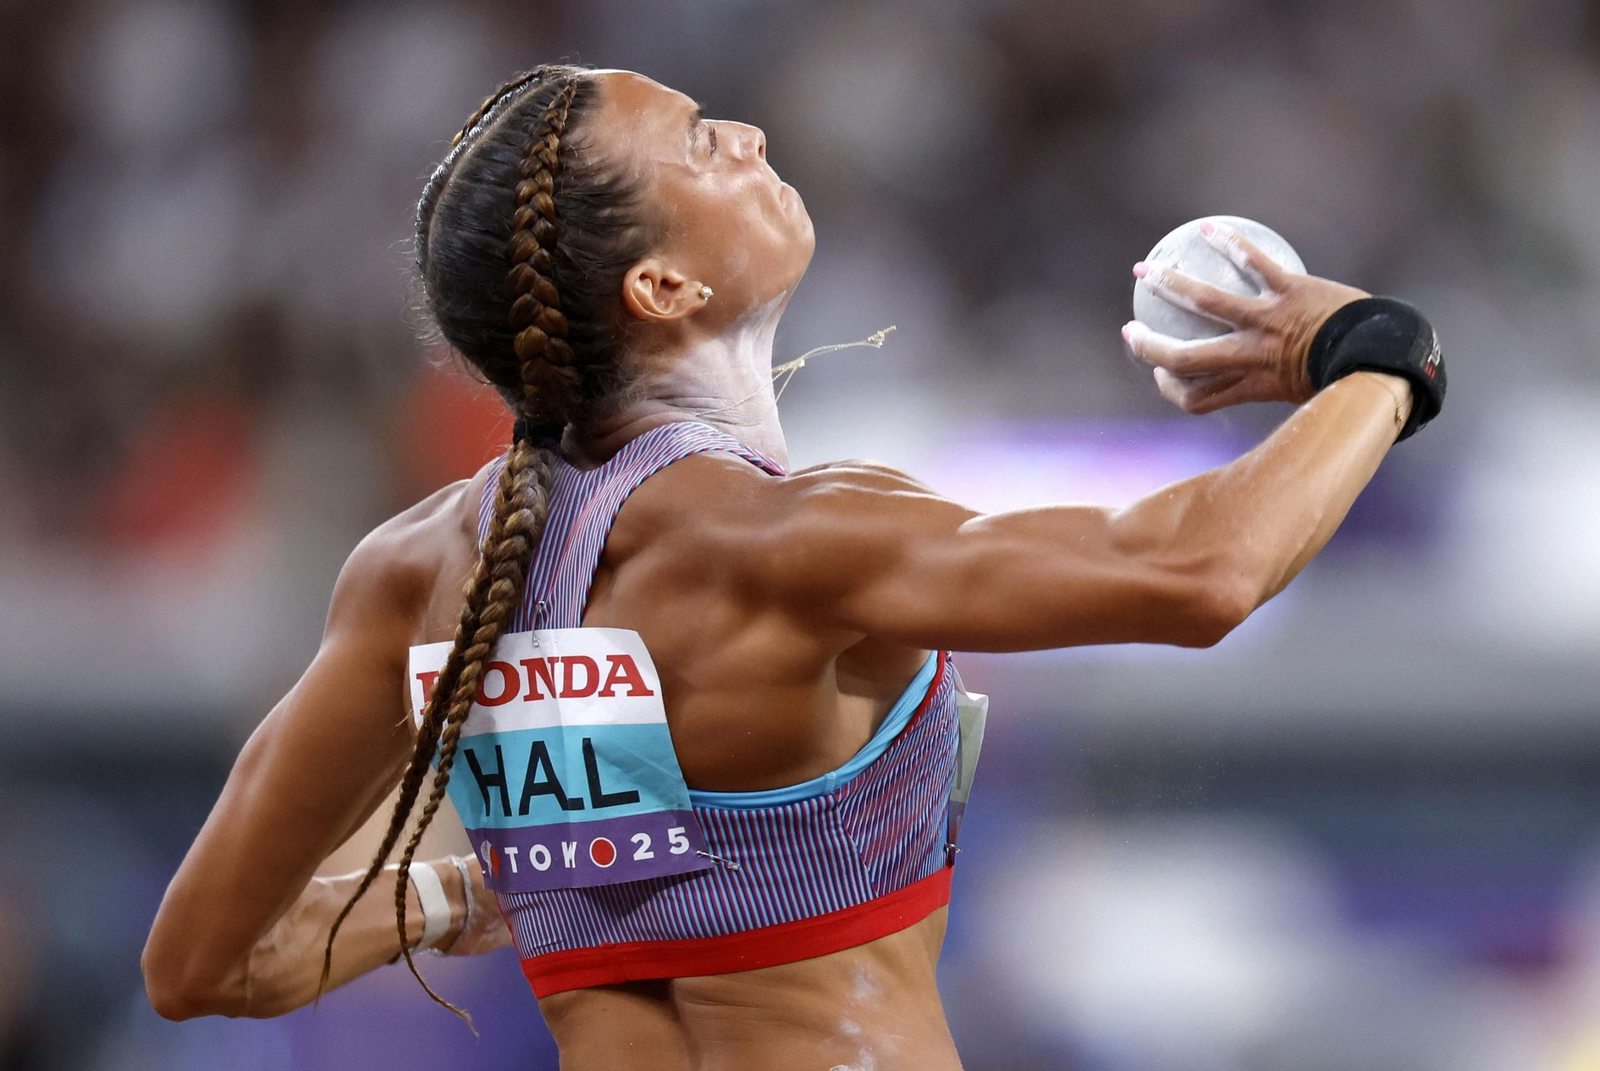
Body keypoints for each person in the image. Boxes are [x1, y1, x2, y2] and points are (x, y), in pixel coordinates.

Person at [141, 64, 1446, 1071]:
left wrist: (463, 891)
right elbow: (1202, 573)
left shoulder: (416, 573)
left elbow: (202, 965)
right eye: (703, 142)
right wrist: (1375, 357)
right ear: (661, 287)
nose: (752, 136)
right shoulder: (792, 541)